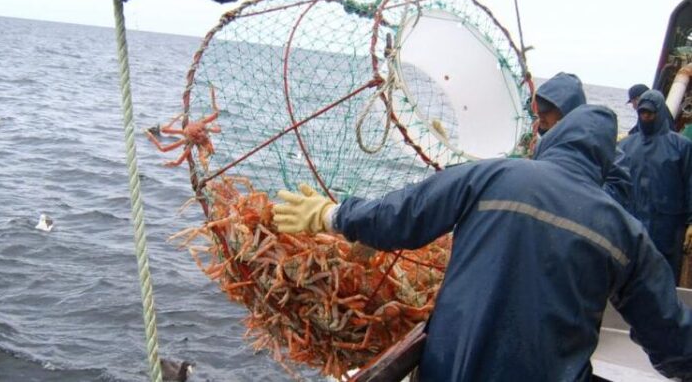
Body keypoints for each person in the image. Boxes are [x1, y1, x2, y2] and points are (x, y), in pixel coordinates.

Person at [273, 105, 692, 381]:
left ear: (553, 140)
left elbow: (401, 216)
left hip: (448, 371)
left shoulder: (491, 175)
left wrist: (330, 214)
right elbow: (671, 336)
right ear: (605, 164)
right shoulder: (626, 232)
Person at [618, 89, 692, 283]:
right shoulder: (625, 146)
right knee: (631, 274)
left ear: (659, 113)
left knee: (664, 276)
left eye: (650, 113)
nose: (645, 116)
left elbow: (690, 185)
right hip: (632, 223)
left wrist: (691, 222)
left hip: (668, 227)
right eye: (642, 112)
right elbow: (615, 187)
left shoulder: (681, 146)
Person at [534, 72, 632, 208]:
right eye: (538, 109)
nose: (540, 115)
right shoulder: (539, 145)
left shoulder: (607, 153)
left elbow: (617, 196)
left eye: (547, 110)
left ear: (567, 111)